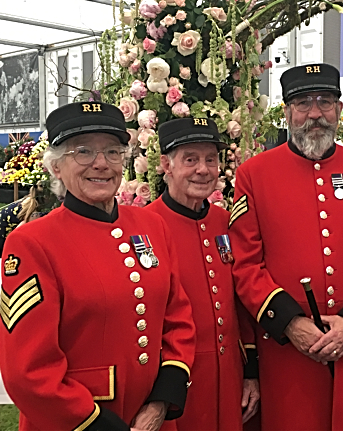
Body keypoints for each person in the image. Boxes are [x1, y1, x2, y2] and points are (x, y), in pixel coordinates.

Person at [0, 102, 196, 431]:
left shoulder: (151, 226)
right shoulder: (32, 243)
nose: (101, 164)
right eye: (83, 151)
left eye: (113, 152)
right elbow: (28, 371)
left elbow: (178, 318)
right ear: (56, 167)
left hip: (154, 420)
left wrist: (161, 402)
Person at [229, 63, 343, 430]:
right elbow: (245, 265)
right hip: (290, 355)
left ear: (340, 110)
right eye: (303, 103)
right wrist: (292, 324)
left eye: (325, 102)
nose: (315, 113)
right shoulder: (253, 175)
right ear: (287, 111)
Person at [147, 118, 260, 429]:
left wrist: (250, 373)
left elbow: (242, 303)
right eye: (191, 159)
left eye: (211, 159)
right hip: (174, 382)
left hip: (229, 378)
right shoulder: (143, 227)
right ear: (166, 165)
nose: (203, 169)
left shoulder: (226, 222)